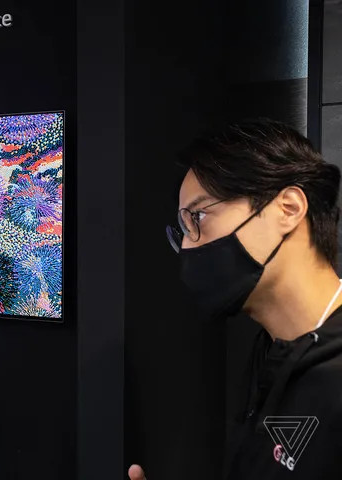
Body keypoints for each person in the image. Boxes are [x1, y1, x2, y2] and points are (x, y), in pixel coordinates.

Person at [129, 118, 342, 479]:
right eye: (183, 229)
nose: (188, 247)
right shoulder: (269, 352)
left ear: (288, 209)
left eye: (199, 217)